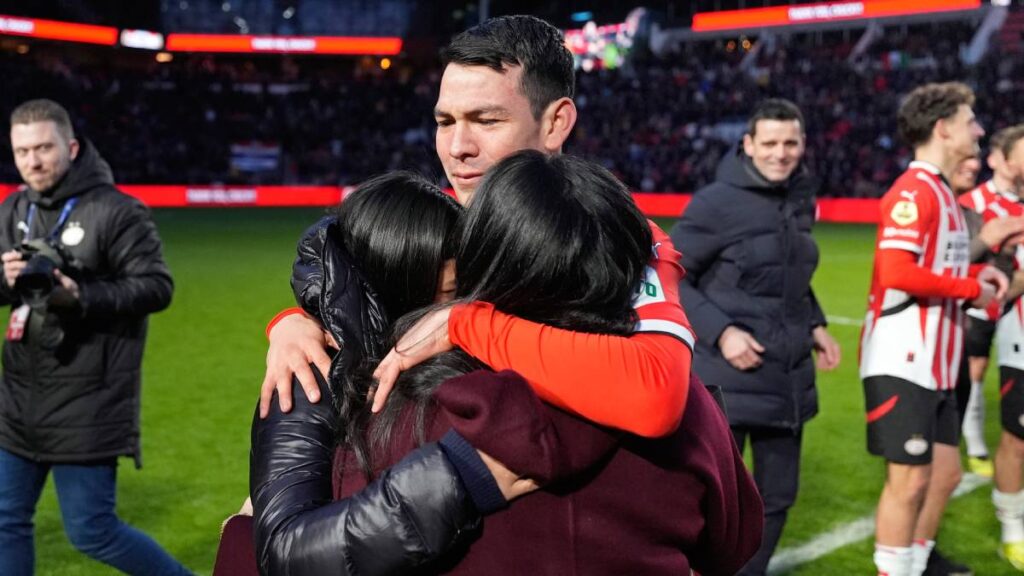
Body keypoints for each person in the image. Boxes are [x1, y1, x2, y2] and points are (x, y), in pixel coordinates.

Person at [252, 151, 763, 575]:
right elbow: (735, 541)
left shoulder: (426, 408)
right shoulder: (682, 396)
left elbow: (291, 555)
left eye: (465, 295)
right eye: (445, 121)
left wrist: (459, 474)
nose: (459, 148)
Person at [0, 99, 188, 575]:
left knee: (91, 530)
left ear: (72, 146)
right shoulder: (14, 207)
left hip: (87, 397)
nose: (33, 161)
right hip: (18, 397)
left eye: (43, 148)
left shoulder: (117, 211)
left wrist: (77, 295)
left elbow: (156, 287)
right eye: (22, 151)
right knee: (4, 520)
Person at [669, 97, 839, 576]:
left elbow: (790, 277)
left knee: (778, 496)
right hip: (728, 376)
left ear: (802, 144)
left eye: (790, 142)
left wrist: (816, 322)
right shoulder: (715, 202)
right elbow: (671, 276)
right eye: (769, 142)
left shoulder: (801, 196)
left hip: (787, 377)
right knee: (713, 498)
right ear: (748, 144)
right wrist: (722, 334)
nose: (780, 153)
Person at [859, 82, 1007, 576]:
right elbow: (897, 272)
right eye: (970, 121)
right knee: (909, 484)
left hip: (939, 363)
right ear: (943, 129)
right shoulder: (914, 190)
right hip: (904, 361)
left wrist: (974, 276)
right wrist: (971, 291)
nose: (980, 130)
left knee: (943, 474)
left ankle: (917, 565)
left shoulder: (943, 193)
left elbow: (935, 270)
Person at [958, 130, 1024, 479]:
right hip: (983, 298)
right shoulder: (974, 202)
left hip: (1016, 303)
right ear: (999, 160)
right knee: (976, 369)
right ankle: (975, 442)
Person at [987, 124, 1024, 571]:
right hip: (1019, 343)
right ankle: (1013, 530)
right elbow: (990, 288)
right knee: (1017, 441)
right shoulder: (1001, 217)